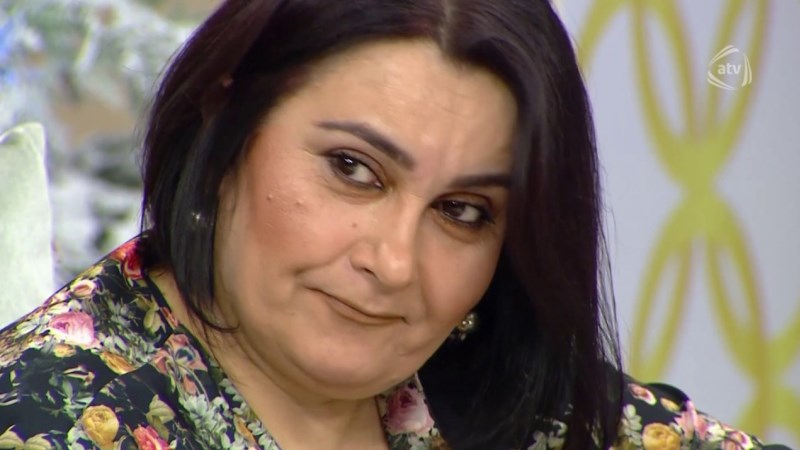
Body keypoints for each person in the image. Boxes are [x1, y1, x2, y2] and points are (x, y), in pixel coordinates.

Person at [0, 1, 791, 449]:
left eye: (462, 211)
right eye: (353, 169)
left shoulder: (524, 407)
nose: (395, 262)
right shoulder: (50, 417)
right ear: (225, 125)